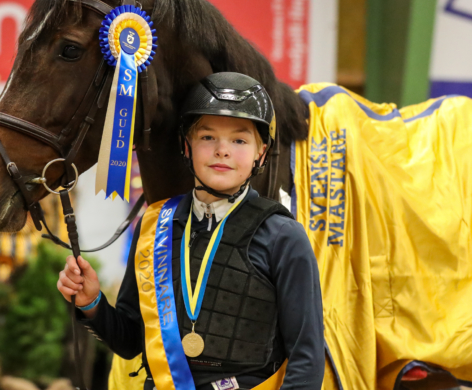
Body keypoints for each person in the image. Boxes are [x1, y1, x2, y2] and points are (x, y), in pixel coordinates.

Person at [57, 72, 325, 390]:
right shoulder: (153, 225)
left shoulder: (284, 237)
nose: (222, 150)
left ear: (261, 153)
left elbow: (307, 360)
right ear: (187, 146)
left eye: (239, 140)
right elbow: (130, 341)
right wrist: (91, 302)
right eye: (207, 137)